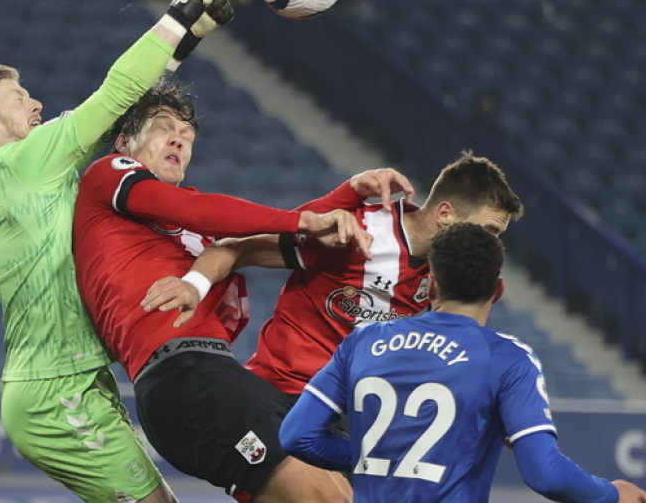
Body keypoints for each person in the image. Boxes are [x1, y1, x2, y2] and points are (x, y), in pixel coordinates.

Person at [0, 0, 235, 502]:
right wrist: (186, 3)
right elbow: (116, 92)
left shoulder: (31, 173)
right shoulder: (23, 160)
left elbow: (122, 111)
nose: (35, 103)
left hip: (76, 382)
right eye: (18, 97)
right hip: (54, 392)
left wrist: (194, 31)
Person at [73, 82, 417, 502]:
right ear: (126, 141)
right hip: (180, 376)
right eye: (164, 128)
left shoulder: (192, 225)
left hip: (214, 372)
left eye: (188, 135)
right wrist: (306, 221)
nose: (179, 138)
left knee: (355, 484)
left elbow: (262, 232)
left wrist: (347, 193)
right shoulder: (107, 174)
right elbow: (202, 212)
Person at [278, 222, 646, 503]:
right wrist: (611, 494)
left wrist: (379, 455)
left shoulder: (363, 341)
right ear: (499, 290)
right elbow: (544, 473)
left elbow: (296, 435)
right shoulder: (508, 359)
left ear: (432, 284)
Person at [155, 151, 523, 399]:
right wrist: (194, 285)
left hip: (353, 413)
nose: (489, 245)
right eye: (487, 231)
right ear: (445, 214)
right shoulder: (354, 231)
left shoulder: (448, 274)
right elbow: (237, 247)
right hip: (284, 394)